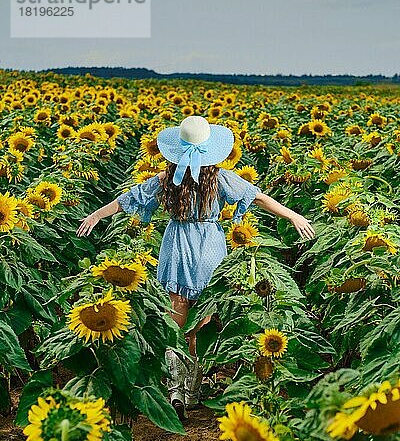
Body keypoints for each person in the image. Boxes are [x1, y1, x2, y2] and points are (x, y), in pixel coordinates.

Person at [77, 115, 316, 421]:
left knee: (175, 316)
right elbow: (258, 198)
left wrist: (96, 215)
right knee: (202, 321)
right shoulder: (219, 178)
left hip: (177, 244)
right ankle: (193, 389)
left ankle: (175, 389)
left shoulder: (166, 179)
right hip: (209, 245)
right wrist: (293, 215)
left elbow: (129, 199)